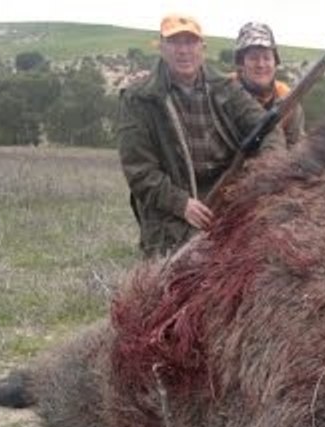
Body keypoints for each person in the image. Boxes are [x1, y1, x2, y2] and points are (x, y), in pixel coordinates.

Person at [118, 14, 287, 257]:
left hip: (230, 197)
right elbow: (140, 171)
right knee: (181, 276)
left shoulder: (226, 89)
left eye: (190, 42)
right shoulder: (138, 99)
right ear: (162, 48)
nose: (183, 51)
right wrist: (181, 204)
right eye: (175, 42)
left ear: (202, 48)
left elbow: (268, 128)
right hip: (173, 209)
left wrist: (264, 174)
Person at [233, 22, 305, 145]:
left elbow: (296, 148)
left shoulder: (288, 99)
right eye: (253, 58)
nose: (261, 65)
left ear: (275, 62)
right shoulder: (223, 92)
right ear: (241, 62)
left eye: (267, 58)